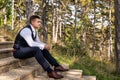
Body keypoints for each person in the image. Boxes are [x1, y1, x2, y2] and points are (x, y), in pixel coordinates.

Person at [13, 15, 68, 79]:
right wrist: (43, 46)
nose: (40, 24)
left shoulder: (35, 32)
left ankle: (57, 65)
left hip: (26, 50)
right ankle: (49, 71)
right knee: (37, 49)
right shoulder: (26, 30)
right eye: (38, 22)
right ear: (32, 22)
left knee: (43, 49)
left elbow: (38, 42)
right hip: (18, 51)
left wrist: (45, 45)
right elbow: (31, 43)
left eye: (40, 22)